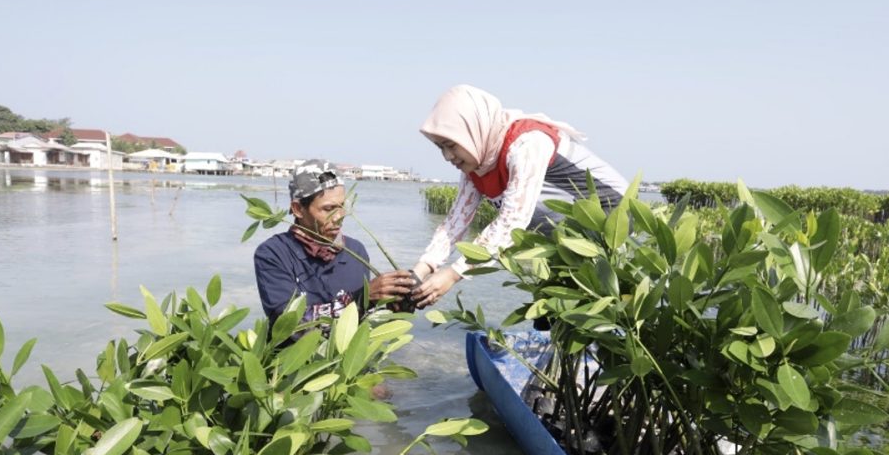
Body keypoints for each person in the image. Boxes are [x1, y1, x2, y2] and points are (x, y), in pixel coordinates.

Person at [410, 85, 629, 309]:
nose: (448, 156)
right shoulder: (476, 163)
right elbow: (455, 224)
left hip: (611, 219)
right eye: (441, 148)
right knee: (556, 311)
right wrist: (418, 273)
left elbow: (511, 221)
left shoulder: (527, 144)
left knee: (601, 306)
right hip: (564, 235)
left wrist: (453, 274)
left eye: (451, 145)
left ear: (472, 131)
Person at [254, 159, 415, 328]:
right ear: (298, 209)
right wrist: (361, 299)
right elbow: (289, 325)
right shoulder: (273, 253)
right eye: (328, 209)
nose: (339, 217)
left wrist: (396, 305)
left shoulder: (356, 251)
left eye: (342, 206)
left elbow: (362, 322)